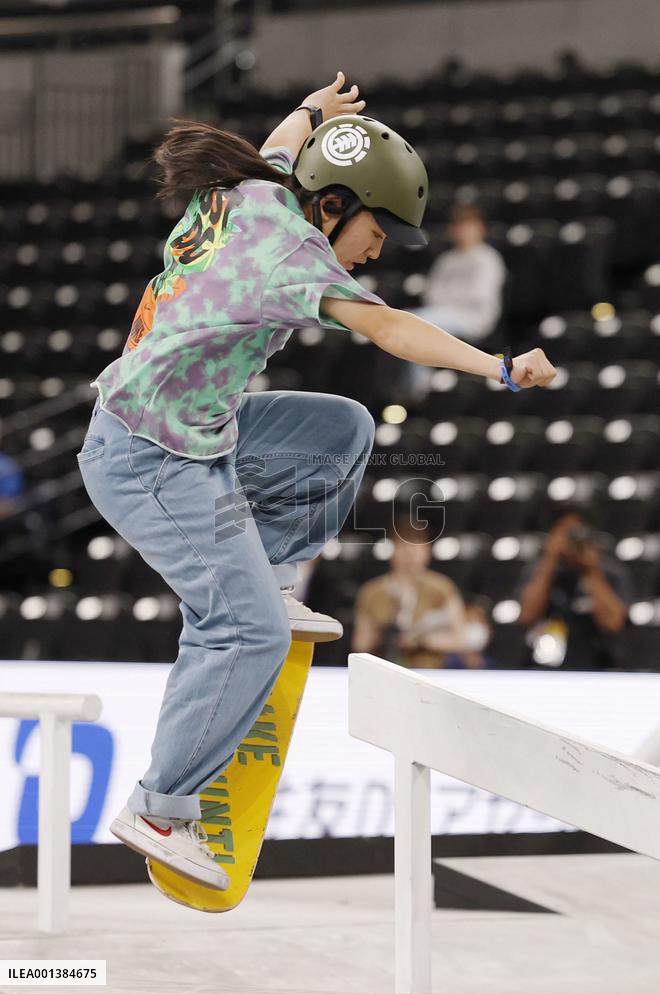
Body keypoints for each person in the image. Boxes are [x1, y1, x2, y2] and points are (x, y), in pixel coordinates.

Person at [76, 71, 556, 891]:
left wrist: (310, 112)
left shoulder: (255, 188)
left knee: (343, 429)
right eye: (379, 232)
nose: (378, 252)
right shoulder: (288, 253)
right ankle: (159, 805)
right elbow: (392, 328)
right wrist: (500, 368)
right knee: (247, 633)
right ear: (332, 205)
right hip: (145, 460)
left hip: (199, 434)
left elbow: (282, 147)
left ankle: (263, 572)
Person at [406, 202, 507, 396]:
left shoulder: (488, 258)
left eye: (469, 225)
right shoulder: (447, 260)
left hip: (474, 318)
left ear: (480, 228)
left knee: (418, 324)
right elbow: (431, 294)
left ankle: (418, 390)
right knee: (409, 321)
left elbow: (478, 295)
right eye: (459, 226)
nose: (464, 231)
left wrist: (449, 299)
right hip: (444, 313)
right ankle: (417, 387)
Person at [516, 505, 633, 671]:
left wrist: (592, 571)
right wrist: (549, 560)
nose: (571, 540)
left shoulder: (611, 572)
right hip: (543, 668)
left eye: (577, 532)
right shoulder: (538, 570)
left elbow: (613, 624)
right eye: (565, 532)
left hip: (598, 667)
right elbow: (526, 617)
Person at [352, 518, 468, 669]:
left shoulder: (442, 588)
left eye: (417, 546)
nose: (410, 553)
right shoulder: (372, 591)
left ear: (427, 550)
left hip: (429, 671)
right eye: (403, 545)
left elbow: (460, 639)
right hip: (384, 670)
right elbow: (360, 644)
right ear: (393, 549)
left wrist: (421, 641)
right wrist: (384, 635)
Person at [444, 597, 496, 670]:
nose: (474, 627)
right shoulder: (446, 662)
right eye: (469, 620)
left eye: (479, 621)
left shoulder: (493, 664)